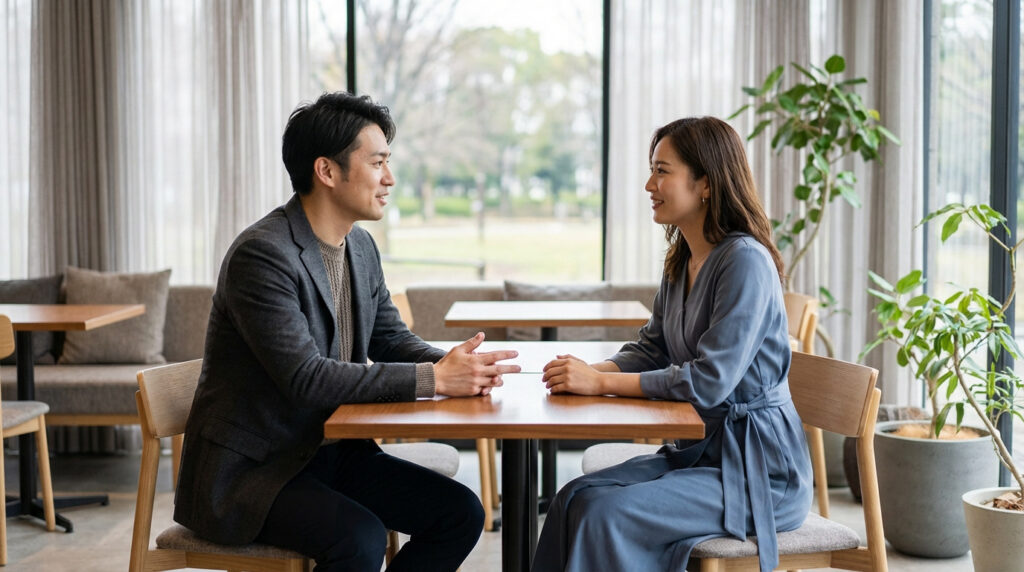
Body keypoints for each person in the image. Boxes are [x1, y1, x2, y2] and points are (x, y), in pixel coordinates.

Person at [173, 91, 521, 572]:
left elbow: (390, 339)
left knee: (460, 513)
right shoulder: (262, 255)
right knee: (360, 538)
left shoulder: (359, 246)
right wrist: (434, 380)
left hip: (328, 452)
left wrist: (457, 365)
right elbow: (306, 379)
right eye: (377, 163)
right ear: (327, 171)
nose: (389, 179)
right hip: (255, 472)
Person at [532, 116, 813, 572]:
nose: (649, 184)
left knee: (605, 515)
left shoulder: (745, 263)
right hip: (699, 452)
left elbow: (709, 382)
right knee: (572, 498)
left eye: (662, 171)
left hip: (760, 472)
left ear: (705, 183)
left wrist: (597, 385)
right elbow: (651, 348)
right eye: (652, 170)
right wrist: (590, 372)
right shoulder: (682, 260)